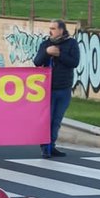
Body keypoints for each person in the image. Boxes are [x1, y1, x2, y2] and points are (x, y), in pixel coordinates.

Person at [33, 19, 81, 158]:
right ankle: (45, 147)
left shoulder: (71, 43)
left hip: (64, 88)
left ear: (61, 30)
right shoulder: (46, 44)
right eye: (50, 28)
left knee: (57, 119)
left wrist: (60, 55)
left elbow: (74, 62)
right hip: (48, 89)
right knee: (48, 119)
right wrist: (47, 52)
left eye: (53, 28)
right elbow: (37, 62)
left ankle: (51, 145)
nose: (50, 31)